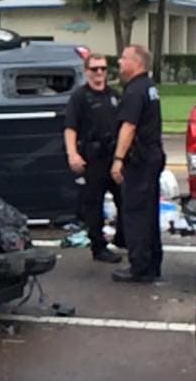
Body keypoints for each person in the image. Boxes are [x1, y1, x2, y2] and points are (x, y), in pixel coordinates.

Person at [110, 45, 166, 283]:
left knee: (136, 213)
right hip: (152, 156)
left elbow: (129, 127)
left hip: (139, 160)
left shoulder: (134, 91)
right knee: (149, 212)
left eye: (124, 58)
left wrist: (118, 159)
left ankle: (139, 266)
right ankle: (152, 263)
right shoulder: (149, 88)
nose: (120, 62)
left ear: (137, 63)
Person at [63, 53, 125, 263]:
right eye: (95, 69)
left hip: (113, 157)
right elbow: (70, 127)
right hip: (92, 159)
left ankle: (122, 238)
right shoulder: (80, 97)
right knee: (94, 205)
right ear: (86, 71)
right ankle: (99, 247)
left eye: (103, 68)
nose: (99, 72)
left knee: (124, 199)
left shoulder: (114, 96)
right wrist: (73, 154)